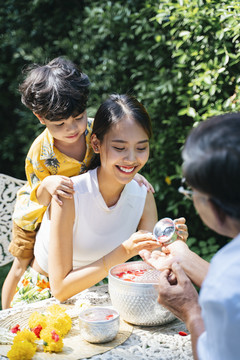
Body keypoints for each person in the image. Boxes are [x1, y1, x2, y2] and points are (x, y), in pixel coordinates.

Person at [2, 58, 153, 309]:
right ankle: (5, 314)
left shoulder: (96, 130)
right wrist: (48, 184)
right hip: (35, 212)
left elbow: (115, 157)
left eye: (78, 117)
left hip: (79, 206)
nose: (72, 128)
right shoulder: (40, 152)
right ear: (41, 118)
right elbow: (35, 195)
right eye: (60, 124)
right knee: (20, 264)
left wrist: (131, 172)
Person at [10, 93, 188, 306]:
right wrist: (125, 251)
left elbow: (153, 269)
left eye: (141, 148)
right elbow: (60, 290)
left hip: (102, 295)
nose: (132, 159)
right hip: (43, 296)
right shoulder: (68, 195)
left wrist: (171, 247)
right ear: (96, 144)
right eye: (119, 148)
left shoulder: (143, 194)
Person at [140, 112, 240, 360]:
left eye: (191, 189)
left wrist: (190, 310)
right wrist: (183, 256)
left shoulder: (226, 275)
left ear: (213, 204)